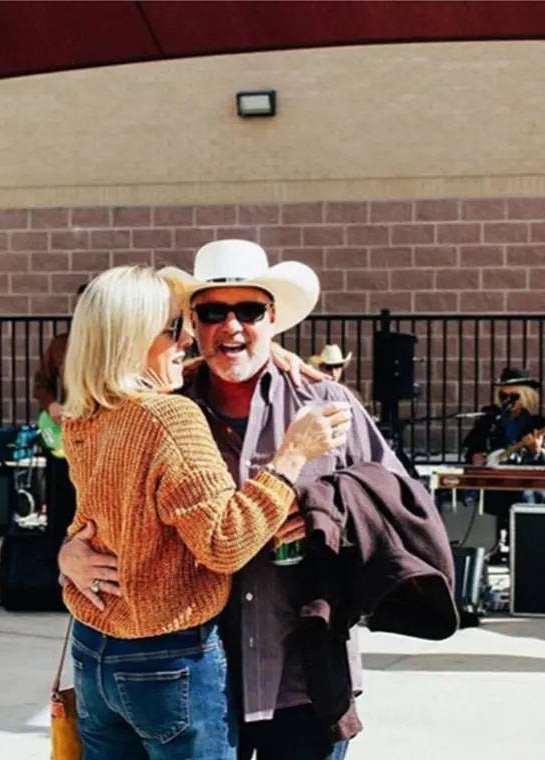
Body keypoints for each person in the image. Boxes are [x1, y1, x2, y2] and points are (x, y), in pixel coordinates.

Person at [60, 240, 407, 760]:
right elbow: (102, 515)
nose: (232, 326)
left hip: (299, 676)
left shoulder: (323, 401)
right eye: (210, 312)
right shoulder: (166, 401)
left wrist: (327, 513)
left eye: (249, 310)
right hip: (198, 674)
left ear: (273, 318)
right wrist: (66, 555)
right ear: (193, 325)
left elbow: (402, 507)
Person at [32, 283, 86, 540]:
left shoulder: (112, 345)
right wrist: (52, 403)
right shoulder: (61, 345)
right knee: (60, 497)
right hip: (65, 432)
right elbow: (41, 382)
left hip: (99, 433)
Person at [462, 367, 545, 527]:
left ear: (526, 395)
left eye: (513, 396)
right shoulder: (490, 418)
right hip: (495, 484)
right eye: (503, 395)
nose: (507, 400)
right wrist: (475, 455)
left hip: (526, 489)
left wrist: (536, 451)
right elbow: (472, 444)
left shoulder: (537, 424)